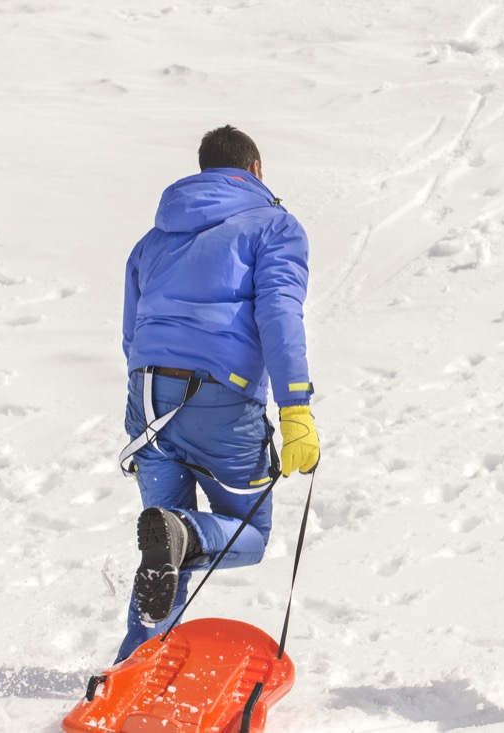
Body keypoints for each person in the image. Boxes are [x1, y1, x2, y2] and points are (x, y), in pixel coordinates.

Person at [115, 125, 320, 662]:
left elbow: (131, 332)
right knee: (244, 535)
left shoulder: (153, 238)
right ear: (254, 170)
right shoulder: (274, 226)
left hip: (148, 400)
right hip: (218, 402)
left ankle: (130, 670)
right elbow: (279, 313)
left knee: (163, 554)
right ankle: (181, 534)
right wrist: (295, 406)